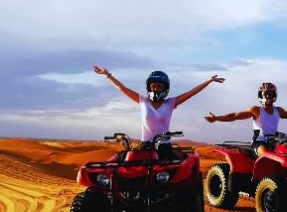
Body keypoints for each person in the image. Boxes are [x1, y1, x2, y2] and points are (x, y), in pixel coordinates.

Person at [94, 66, 225, 158]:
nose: (156, 89)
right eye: (153, 86)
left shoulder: (171, 103)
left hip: (164, 147)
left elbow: (191, 93)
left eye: (159, 86)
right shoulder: (143, 101)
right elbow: (122, 88)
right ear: (149, 87)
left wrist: (209, 81)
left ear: (165, 88)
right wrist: (107, 74)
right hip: (145, 147)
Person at [205, 82, 287, 156]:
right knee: (267, 157)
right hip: (259, 143)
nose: (268, 96)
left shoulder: (279, 110)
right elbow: (235, 116)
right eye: (265, 94)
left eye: (270, 94)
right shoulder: (256, 110)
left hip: (274, 142)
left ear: (274, 95)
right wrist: (216, 118)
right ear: (261, 95)